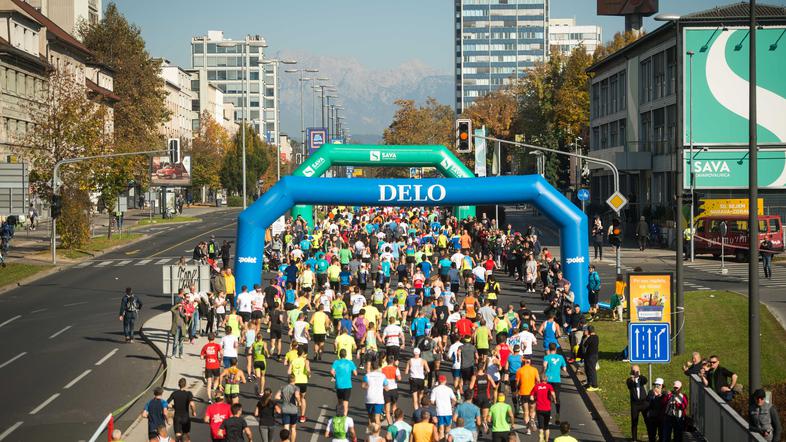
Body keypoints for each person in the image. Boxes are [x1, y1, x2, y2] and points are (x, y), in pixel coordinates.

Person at [543, 343, 567, 424]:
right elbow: (564, 369)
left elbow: (544, 366)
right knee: (556, 397)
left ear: (549, 349)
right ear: (556, 349)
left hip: (548, 379)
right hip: (557, 380)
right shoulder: (560, 357)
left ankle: (548, 414)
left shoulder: (546, 357)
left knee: (547, 397)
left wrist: (542, 372)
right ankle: (557, 414)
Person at [167, 377, 196, 442]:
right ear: (185, 385)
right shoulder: (188, 393)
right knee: (186, 436)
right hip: (186, 417)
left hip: (177, 417)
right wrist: (194, 411)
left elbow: (166, 404)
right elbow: (192, 404)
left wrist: (174, 406)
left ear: (178, 385)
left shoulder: (174, 393)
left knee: (178, 437)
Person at [331, 349, 358, 417]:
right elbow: (355, 373)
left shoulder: (336, 362)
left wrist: (335, 376)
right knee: (346, 403)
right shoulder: (350, 362)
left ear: (339, 355)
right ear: (346, 355)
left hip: (339, 385)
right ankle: (344, 419)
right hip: (347, 385)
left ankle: (339, 416)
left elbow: (332, 371)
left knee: (340, 402)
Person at [275, 375, 301, 442]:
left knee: (286, 428)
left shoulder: (283, 387)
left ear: (288, 380)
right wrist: (299, 402)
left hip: (285, 409)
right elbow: (297, 395)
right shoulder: (296, 388)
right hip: (293, 410)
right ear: (295, 380)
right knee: (293, 428)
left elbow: (276, 397)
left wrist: (282, 398)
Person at [530, 375, 556, 442]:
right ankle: (546, 440)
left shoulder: (536, 386)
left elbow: (531, 397)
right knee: (546, 427)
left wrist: (534, 400)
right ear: (546, 380)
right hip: (547, 409)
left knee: (541, 427)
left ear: (540, 380)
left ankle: (541, 439)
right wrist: (554, 400)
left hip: (539, 409)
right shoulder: (549, 386)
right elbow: (553, 393)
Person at [363, 360, 389, 427]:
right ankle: (377, 435)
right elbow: (386, 387)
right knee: (377, 418)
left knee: (370, 417)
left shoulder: (367, 375)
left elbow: (363, 386)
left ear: (371, 367)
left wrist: (368, 386)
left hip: (369, 398)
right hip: (379, 398)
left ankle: (370, 435)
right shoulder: (383, 376)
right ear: (378, 367)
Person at [431, 375, 457, 439]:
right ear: (445, 381)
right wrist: (452, 406)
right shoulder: (449, 389)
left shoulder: (435, 389)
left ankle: (442, 439)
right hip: (448, 411)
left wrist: (436, 404)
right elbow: (454, 400)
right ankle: (446, 438)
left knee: (441, 430)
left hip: (439, 412)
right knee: (448, 430)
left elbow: (432, 401)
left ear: (439, 381)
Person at [627, 364, 649, 441]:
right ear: (631, 371)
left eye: (637, 370)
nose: (635, 372)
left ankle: (651, 438)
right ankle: (634, 439)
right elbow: (630, 385)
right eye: (633, 371)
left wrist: (639, 375)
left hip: (644, 403)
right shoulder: (629, 380)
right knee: (634, 422)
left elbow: (645, 380)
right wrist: (634, 379)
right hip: (635, 405)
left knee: (648, 421)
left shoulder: (641, 379)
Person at [645, 378, 665, 442]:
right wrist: (654, 395)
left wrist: (659, 395)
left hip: (661, 417)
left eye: (658, 385)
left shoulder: (664, 394)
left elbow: (664, 403)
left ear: (662, 385)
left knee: (661, 434)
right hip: (652, 417)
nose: (657, 386)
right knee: (652, 434)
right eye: (655, 384)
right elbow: (648, 401)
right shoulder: (651, 392)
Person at [581, 325, 600, 391]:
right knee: (588, 370)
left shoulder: (590, 337)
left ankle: (595, 385)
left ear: (589, 331)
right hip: (594, 355)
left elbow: (585, 344)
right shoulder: (596, 337)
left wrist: (587, 337)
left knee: (591, 370)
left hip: (590, 356)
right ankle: (589, 383)